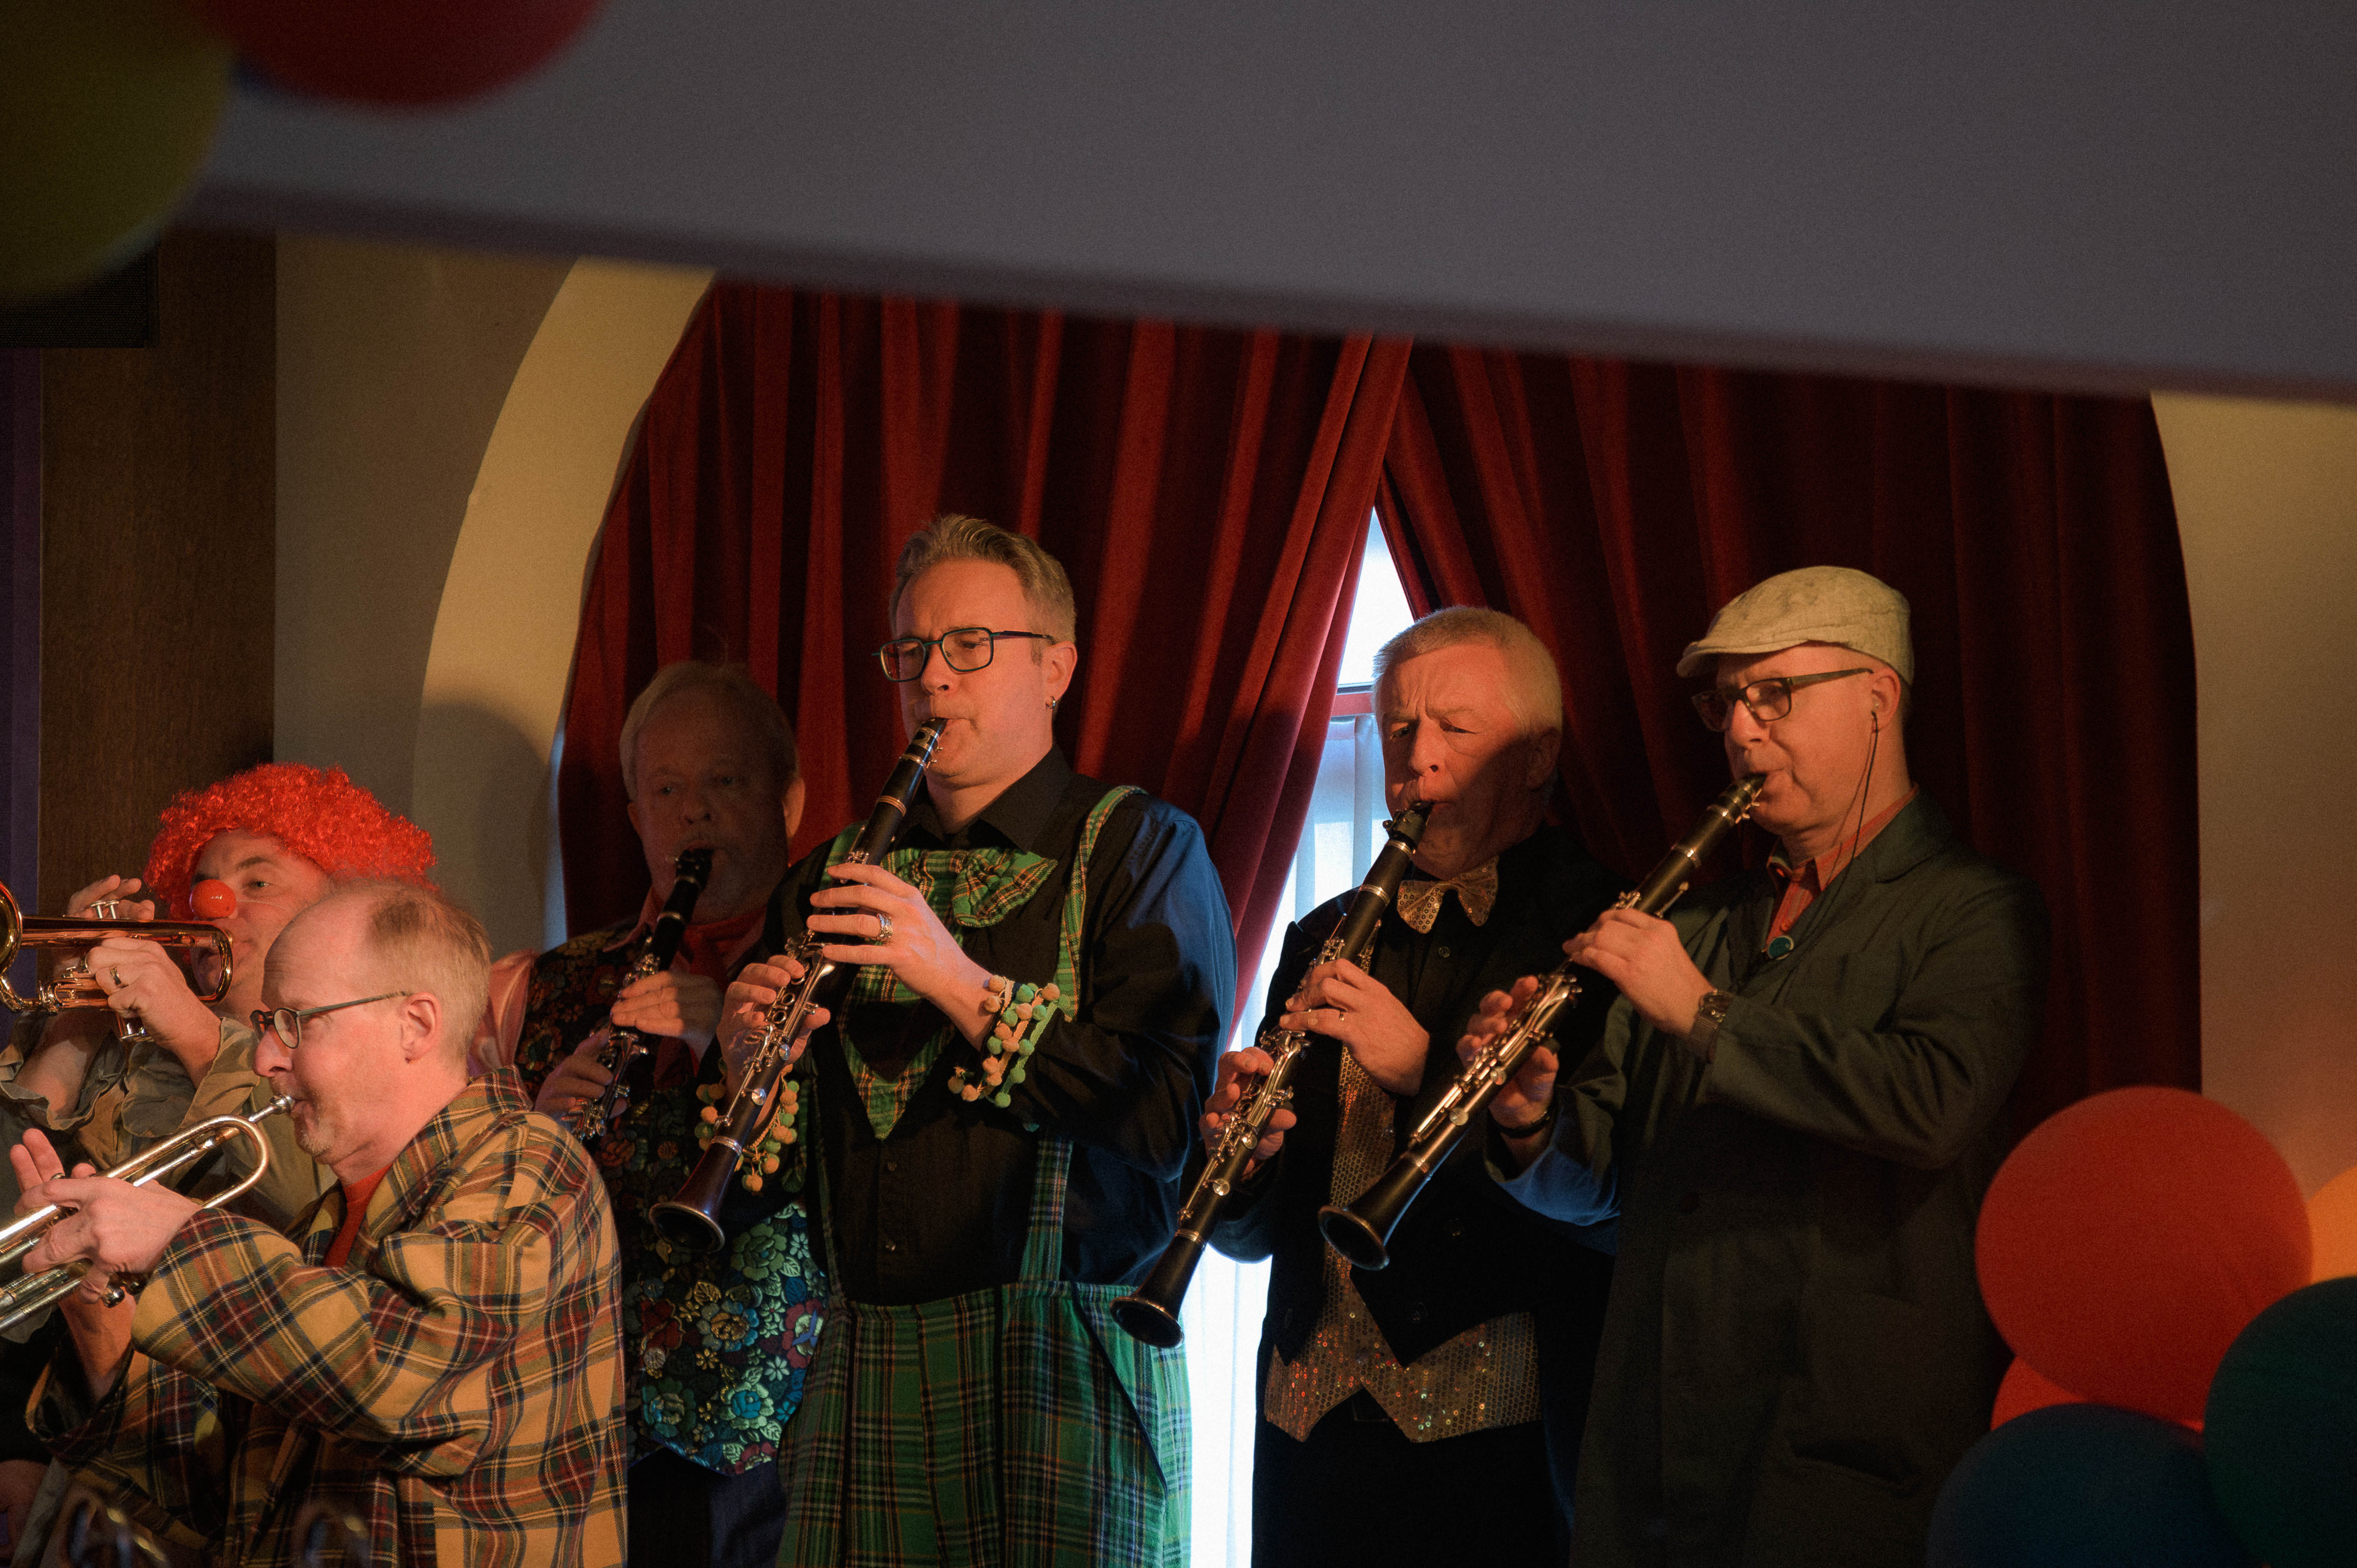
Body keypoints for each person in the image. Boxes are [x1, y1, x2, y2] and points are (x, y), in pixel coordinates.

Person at [1472, 566, 2050, 1567]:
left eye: (1775, 694)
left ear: (1878, 696)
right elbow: (1600, 1186)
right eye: (1726, 703)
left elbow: (1931, 1101)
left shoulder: (1975, 907)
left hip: (1838, 1454)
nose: (1741, 731)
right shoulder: (1695, 919)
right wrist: (1529, 1121)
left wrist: (1702, 1012)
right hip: (1655, 1453)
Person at [723, 514, 1235, 1567]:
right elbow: (780, 1190)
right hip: (861, 1366)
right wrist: (747, 1076)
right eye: (911, 651)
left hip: (1068, 1369)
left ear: (1056, 668)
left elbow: (1165, 1122)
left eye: (970, 645)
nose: (932, 678)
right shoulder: (828, 875)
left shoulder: (1142, 847)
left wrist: (957, 980)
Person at [13, 880, 627, 1567]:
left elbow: (405, 1378)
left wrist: (177, 1238)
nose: (264, 1058)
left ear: (416, 1025)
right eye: (266, 1023)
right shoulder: (317, 1230)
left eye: (296, 1023)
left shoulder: (527, 1162)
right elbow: (205, 1498)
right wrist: (93, 1302)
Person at [1200, 607, 1625, 1567]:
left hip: (1499, 1444)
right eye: (1399, 728)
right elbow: (1259, 1237)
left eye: (1455, 728)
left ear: (1538, 756)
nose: (1415, 760)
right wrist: (1242, 1163)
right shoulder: (1325, 932)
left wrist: (1423, 1069)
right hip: (1306, 1431)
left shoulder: (1596, 927)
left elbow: (1606, 1200)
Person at [0, 763, 452, 1549]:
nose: (215, 903)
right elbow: (15, 1204)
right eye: (203, 882)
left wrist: (195, 1028)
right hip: (86, 1422)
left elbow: (312, 1206)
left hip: (231, 1444)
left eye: (258, 881)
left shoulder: (368, 1072)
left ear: (344, 907)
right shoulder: (129, 1046)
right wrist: (78, 1007)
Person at [498, 660, 817, 1568]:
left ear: (789, 800)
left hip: (765, 1436)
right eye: (666, 790)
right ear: (637, 817)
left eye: (725, 781)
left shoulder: (838, 973)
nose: (693, 813)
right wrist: (539, 1131)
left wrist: (726, 1033)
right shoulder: (559, 979)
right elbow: (495, 1209)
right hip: (572, 1415)